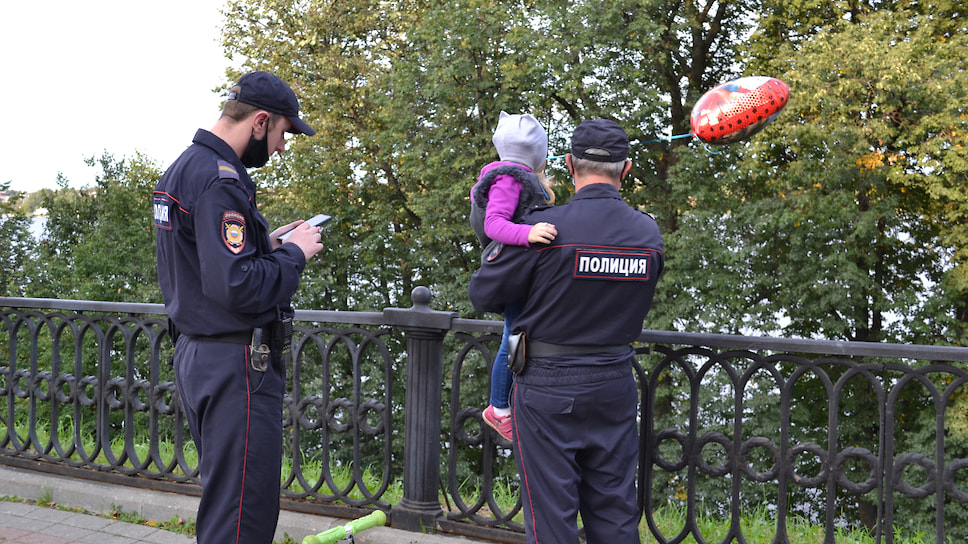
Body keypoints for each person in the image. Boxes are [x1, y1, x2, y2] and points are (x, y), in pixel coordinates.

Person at [468, 118, 664, 543]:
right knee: (615, 512)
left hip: (548, 389)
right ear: (625, 170)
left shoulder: (547, 229)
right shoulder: (647, 232)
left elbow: (483, 293)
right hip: (615, 382)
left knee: (551, 517)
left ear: (571, 167)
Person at [153, 70, 324, 544]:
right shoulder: (221, 181)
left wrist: (261, 244)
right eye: (283, 134)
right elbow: (239, 288)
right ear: (260, 121)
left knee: (228, 501)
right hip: (235, 363)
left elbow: (202, 263)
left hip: (199, 354)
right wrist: (295, 254)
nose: (282, 148)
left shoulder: (184, 167)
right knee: (242, 515)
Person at [469, 111, 557, 442]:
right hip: (512, 265)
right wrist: (529, 233)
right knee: (513, 334)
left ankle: (512, 400)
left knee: (519, 332)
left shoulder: (513, 176)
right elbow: (494, 223)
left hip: (518, 265)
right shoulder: (508, 178)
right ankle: (499, 408)